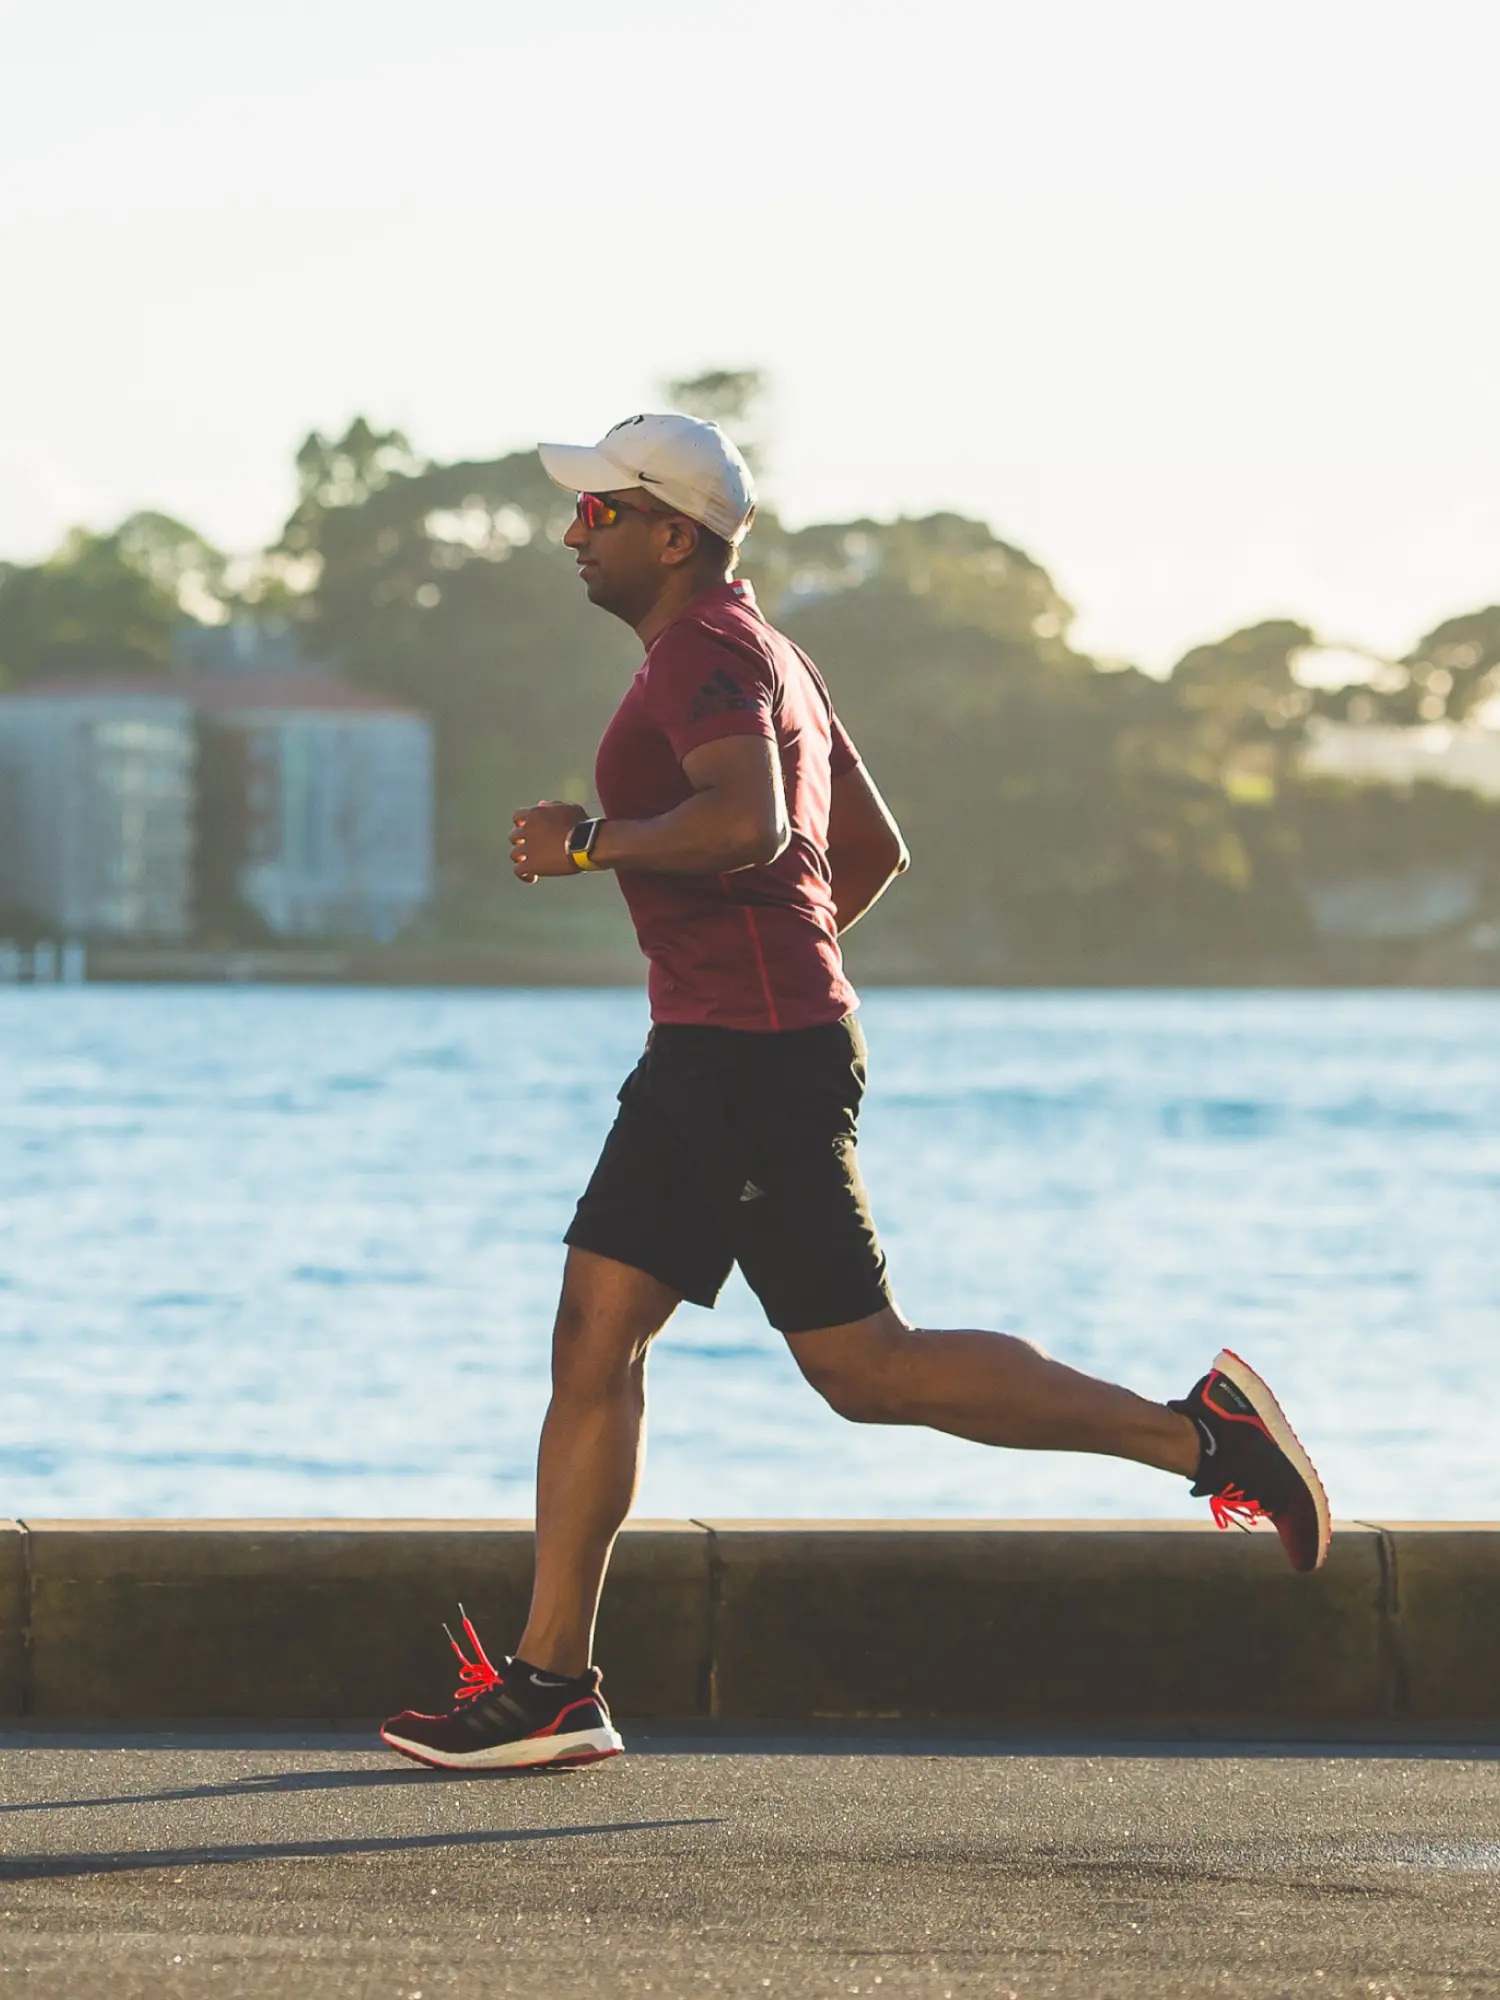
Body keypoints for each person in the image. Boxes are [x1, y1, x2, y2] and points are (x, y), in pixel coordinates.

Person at [380, 414, 1330, 1772]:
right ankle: (552, 1683)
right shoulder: (770, 653)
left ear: (672, 532)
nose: (572, 532)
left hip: (747, 1062)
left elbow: (756, 826)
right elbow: (867, 848)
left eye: (599, 512)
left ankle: (1203, 1438)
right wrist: (777, 962)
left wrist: (595, 844)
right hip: (719, 1050)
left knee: (863, 1368)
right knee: (595, 1335)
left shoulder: (710, 652)